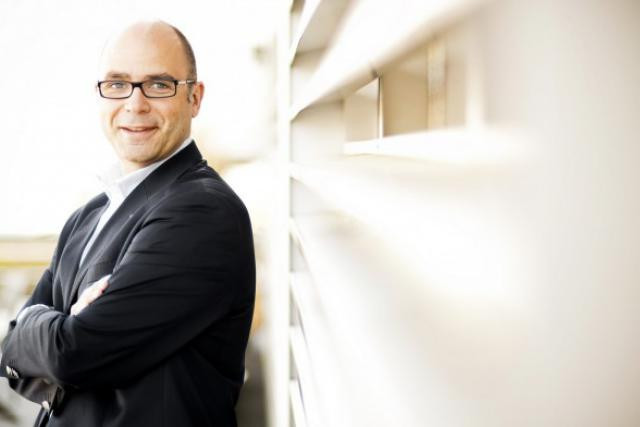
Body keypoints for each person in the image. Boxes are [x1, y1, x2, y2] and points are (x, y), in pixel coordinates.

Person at [0, 21, 255, 427]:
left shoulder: (203, 213)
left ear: (195, 97)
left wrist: (38, 326)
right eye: (118, 85)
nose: (135, 105)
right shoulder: (88, 216)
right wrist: (47, 332)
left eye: (158, 85)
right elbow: (10, 354)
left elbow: (74, 354)